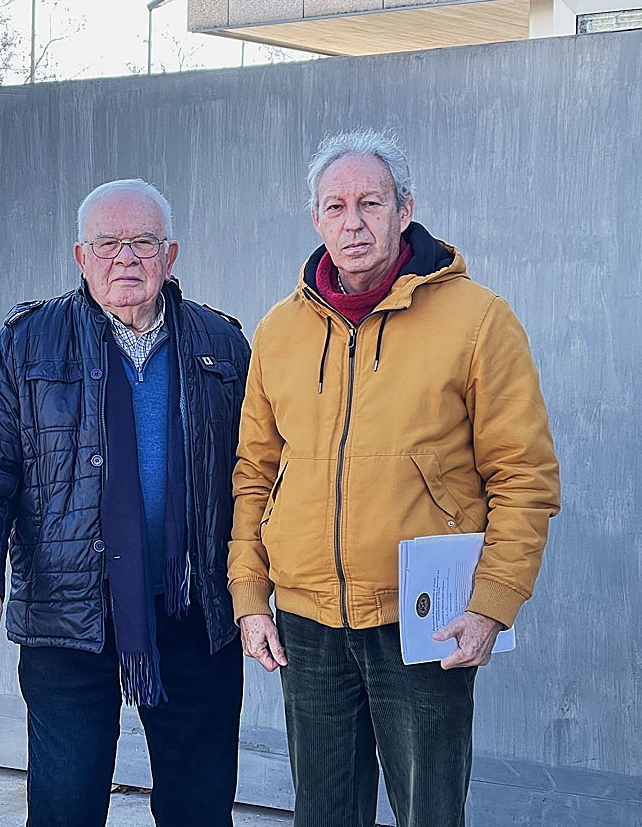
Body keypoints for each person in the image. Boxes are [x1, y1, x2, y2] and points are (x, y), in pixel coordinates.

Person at [228, 129, 561, 827]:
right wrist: (250, 594)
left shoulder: (479, 320)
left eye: (371, 203)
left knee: (428, 811)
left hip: (426, 615)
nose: (353, 223)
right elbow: (255, 472)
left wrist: (493, 603)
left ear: (405, 210)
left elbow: (524, 474)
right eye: (336, 206)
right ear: (316, 218)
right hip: (308, 619)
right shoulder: (280, 331)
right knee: (323, 812)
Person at [0, 179, 251, 826]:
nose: (126, 258)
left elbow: (255, 475)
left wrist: (255, 592)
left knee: (200, 809)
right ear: (81, 257)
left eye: (143, 242)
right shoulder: (29, 342)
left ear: (171, 255)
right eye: (108, 244)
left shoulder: (221, 343)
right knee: (66, 807)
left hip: (193, 609)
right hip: (68, 612)